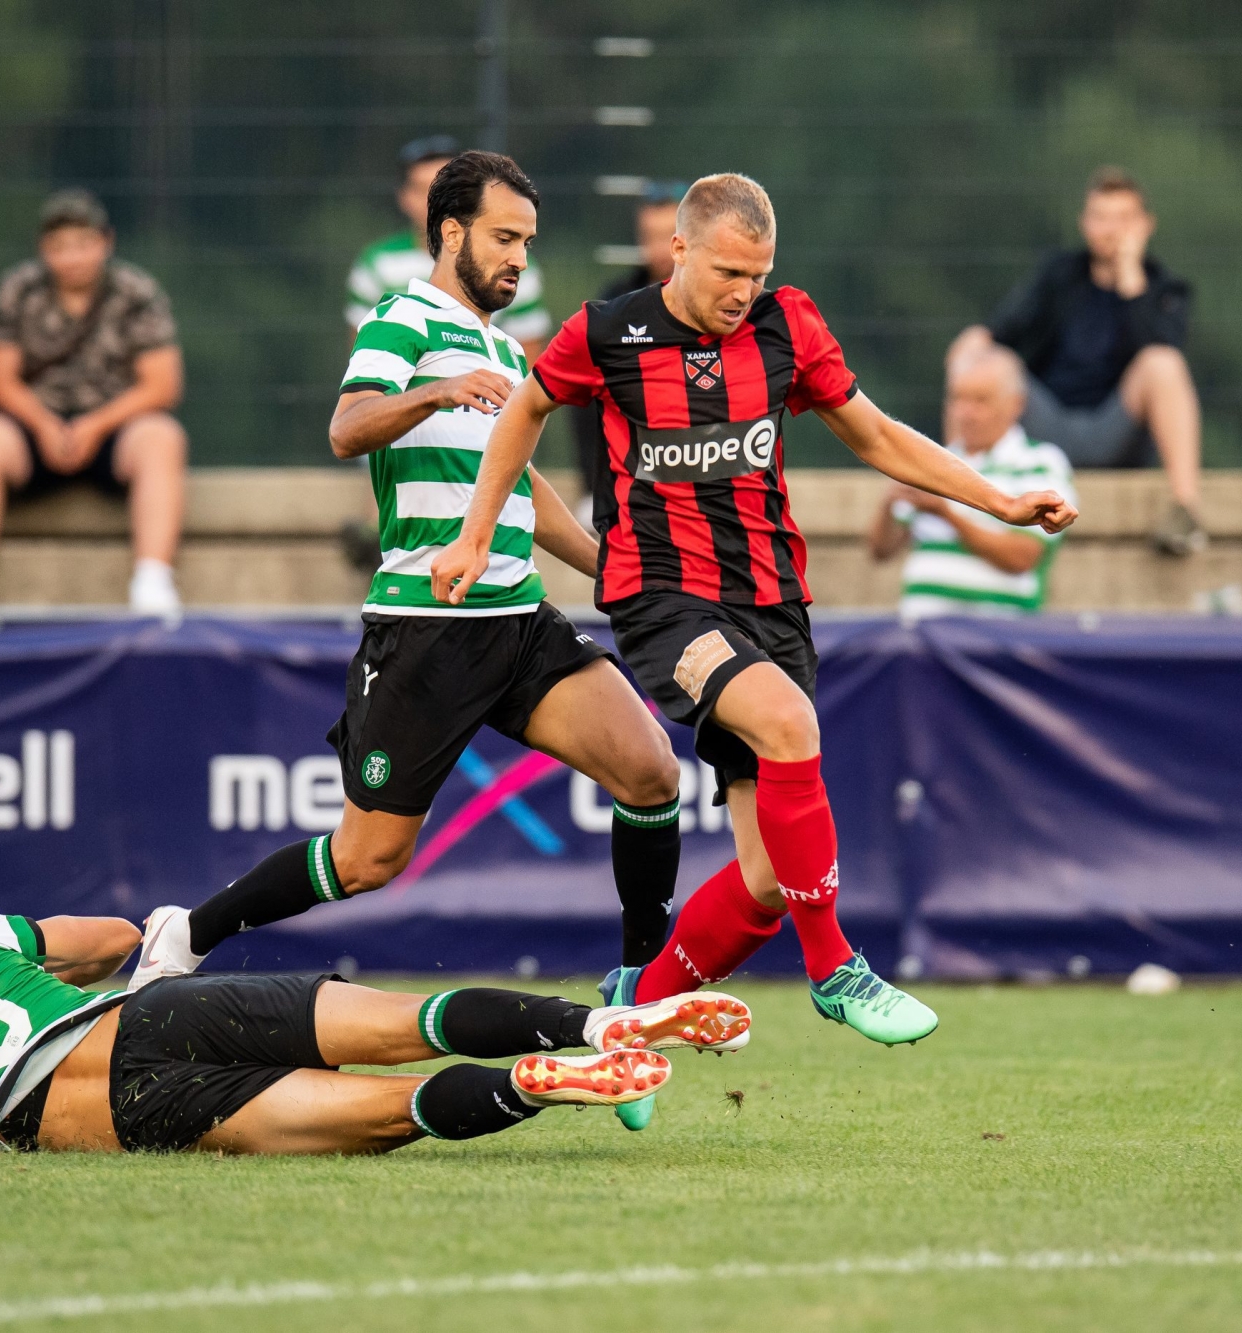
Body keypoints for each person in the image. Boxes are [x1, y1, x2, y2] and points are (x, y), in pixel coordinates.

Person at [431, 174, 1077, 1099]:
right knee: (788, 726)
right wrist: (474, 531)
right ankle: (837, 970)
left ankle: (630, 1018)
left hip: (772, 604)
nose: (744, 290)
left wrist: (1002, 502)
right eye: (729, 269)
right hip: (663, 603)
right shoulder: (609, 333)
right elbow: (524, 414)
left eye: (759, 272)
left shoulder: (788, 327)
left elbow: (879, 435)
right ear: (680, 251)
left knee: (770, 882)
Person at [133, 153, 690, 1131]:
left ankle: (630, 996)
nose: (519, 258)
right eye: (504, 237)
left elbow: (525, 486)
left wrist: (610, 566)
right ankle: (190, 928)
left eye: (528, 240)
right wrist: (434, 393)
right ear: (449, 232)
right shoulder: (402, 319)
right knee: (367, 861)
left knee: (649, 771)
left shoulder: (507, 349)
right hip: (426, 629)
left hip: (516, 617)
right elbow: (347, 428)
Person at [0, 910, 748, 1154]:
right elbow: (118, 939)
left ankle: (528, 1085)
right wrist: (60, 973)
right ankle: (600, 1018)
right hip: (138, 1012)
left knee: (390, 1113)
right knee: (404, 1022)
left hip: (118, 1113)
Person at [0, 190, 187, 616]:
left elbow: (162, 385)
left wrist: (95, 425)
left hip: (113, 430)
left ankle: (153, 579)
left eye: (82, 245)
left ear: (106, 242)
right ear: (42, 249)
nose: (71, 258)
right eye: (59, 248)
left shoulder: (137, 292)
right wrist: (44, 424)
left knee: (162, 436)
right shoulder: (18, 289)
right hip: (33, 429)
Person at [952, 165, 1203, 556]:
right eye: (1101, 217)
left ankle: (1185, 510)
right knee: (973, 350)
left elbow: (1164, 353)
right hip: (1046, 420)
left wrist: (1130, 280)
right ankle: (955, 484)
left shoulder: (1165, 289)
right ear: (1085, 223)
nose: (1111, 229)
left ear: (1145, 225)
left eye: (1123, 219)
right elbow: (998, 334)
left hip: (1116, 432)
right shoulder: (1059, 274)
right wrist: (970, 352)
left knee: (1162, 364)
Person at [868, 344, 1076, 620]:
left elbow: (1022, 557)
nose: (966, 412)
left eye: (980, 401)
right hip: (919, 634)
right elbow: (881, 550)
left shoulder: (1040, 461)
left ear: (1016, 404)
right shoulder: (934, 459)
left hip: (997, 638)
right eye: (958, 399)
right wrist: (890, 500)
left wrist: (947, 514)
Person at [346, 135, 551, 359]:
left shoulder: (514, 264)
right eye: (421, 189)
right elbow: (364, 361)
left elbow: (527, 364)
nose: (432, 199)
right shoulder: (378, 264)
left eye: (444, 188)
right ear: (403, 197)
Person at [572, 181, 688, 523]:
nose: (658, 249)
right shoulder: (616, 301)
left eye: (668, 236)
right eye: (648, 236)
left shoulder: (721, 301)